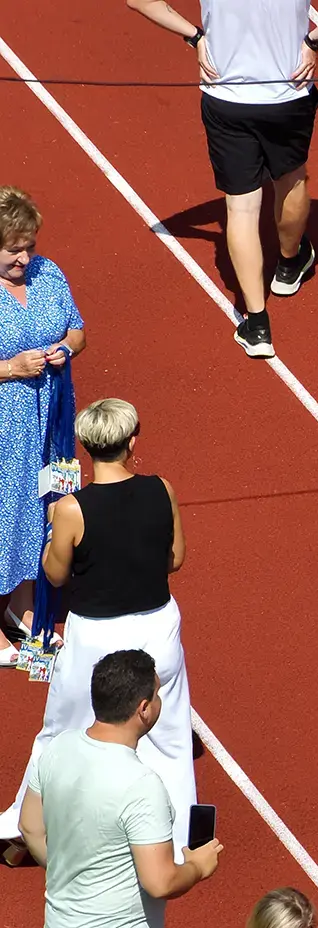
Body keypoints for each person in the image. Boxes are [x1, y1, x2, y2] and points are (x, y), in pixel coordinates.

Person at [0, 399, 196, 866]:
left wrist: (53, 535)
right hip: (157, 627)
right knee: (170, 736)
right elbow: (175, 559)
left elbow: (54, 575)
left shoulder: (71, 508)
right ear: (132, 441)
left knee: (62, 732)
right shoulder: (162, 489)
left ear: (86, 447)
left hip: (95, 639)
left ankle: (25, 825)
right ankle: (178, 840)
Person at [18, 649, 224, 928]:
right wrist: (199, 866)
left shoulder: (58, 748)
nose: (160, 701)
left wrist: (73, 871)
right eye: (157, 694)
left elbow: (31, 828)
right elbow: (160, 881)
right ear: (143, 709)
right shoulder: (140, 785)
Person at [127, 0, 318, 358]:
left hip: (225, 96)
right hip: (288, 93)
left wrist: (195, 37)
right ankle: (289, 264)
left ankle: (257, 325)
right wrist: (313, 41)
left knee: (241, 209)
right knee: (291, 180)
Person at [0, 187, 86, 665]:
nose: (25, 258)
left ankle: (25, 606)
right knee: (4, 513)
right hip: (6, 424)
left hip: (52, 419)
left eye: (29, 246)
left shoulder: (48, 273)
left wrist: (65, 349)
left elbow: (78, 329)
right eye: (14, 250)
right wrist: (10, 368)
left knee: (47, 506)